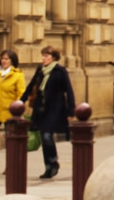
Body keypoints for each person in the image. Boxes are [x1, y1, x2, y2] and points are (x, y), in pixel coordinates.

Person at [24, 45, 76, 178]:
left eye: (46, 56)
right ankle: (48, 166)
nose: (43, 58)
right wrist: (20, 101)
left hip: (55, 108)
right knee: (43, 135)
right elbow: (31, 86)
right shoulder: (40, 70)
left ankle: (53, 161)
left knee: (47, 135)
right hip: (41, 107)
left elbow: (69, 91)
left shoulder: (60, 71)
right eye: (43, 55)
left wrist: (71, 111)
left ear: (53, 58)